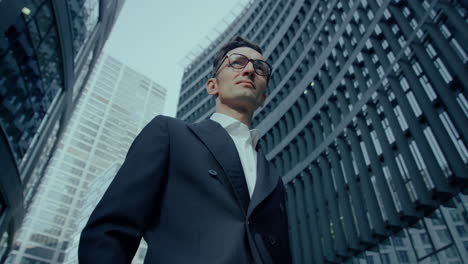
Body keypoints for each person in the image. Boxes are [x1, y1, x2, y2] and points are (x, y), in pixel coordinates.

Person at [79, 36, 292, 264]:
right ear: (213, 86)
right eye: (237, 62)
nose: (250, 69)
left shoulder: (273, 179)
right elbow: (110, 231)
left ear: (264, 98)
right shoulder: (169, 134)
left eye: (260, 67)